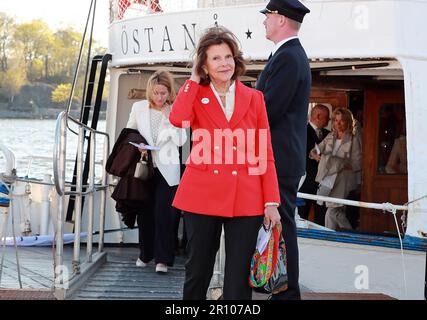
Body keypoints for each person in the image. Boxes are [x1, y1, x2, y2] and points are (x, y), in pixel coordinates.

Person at [169, 26, 281, 300]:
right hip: (202, 195)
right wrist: (193, 80)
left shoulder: (254, 98)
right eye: (215, 58)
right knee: (198, 270)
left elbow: (264, 150)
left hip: (246, 196)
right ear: (204, 66)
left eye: (228, 57)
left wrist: (271, 201)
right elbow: (177, 119)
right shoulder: (194, 93)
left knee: (238, 277)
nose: (224, 63)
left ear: (236, 60)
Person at [256, 0, 311, 300]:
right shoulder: (287, 55)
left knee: (283, 221)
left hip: (280, 157)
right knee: (281, 220)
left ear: (280, 19)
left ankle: (288, 291)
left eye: (268, 16)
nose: (264, 21)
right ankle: (282, 288)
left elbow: (268, 108)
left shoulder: (289, 57)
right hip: (282, 155)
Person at [126, 69, 187, 273]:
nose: (159, 97)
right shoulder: (138, 108)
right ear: (149, 92)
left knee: (166, 214)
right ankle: (145, 254)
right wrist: (139, 145)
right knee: (145, 213)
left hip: (168, 170)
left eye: (163, 93)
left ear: (169, 92)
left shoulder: (176, 109)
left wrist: (173, 119)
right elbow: (129, 134)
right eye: (156, 93)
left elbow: (181, 141)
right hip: (145, 167)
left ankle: (163, 260)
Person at [310, 108, 362, 231]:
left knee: (333, 211)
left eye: (341, 121)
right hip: (327, 179)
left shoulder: (353, 138)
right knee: (335, 211)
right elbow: (316, 149)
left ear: (348, 122)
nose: (338, 123)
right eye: (335, 120)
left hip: (342, 180)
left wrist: (341, 164)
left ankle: (333, 236)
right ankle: (346, 236)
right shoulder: (330, 136)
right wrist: (315, 155)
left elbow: (358, 163)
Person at [299, 104, 330, 226]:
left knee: (321, 217)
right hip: (306, 182)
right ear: (318, 116)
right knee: (302, 215)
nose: (328, 121)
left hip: (323, 183)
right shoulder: (302, 132)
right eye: (327, 118)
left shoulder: (329, 134)